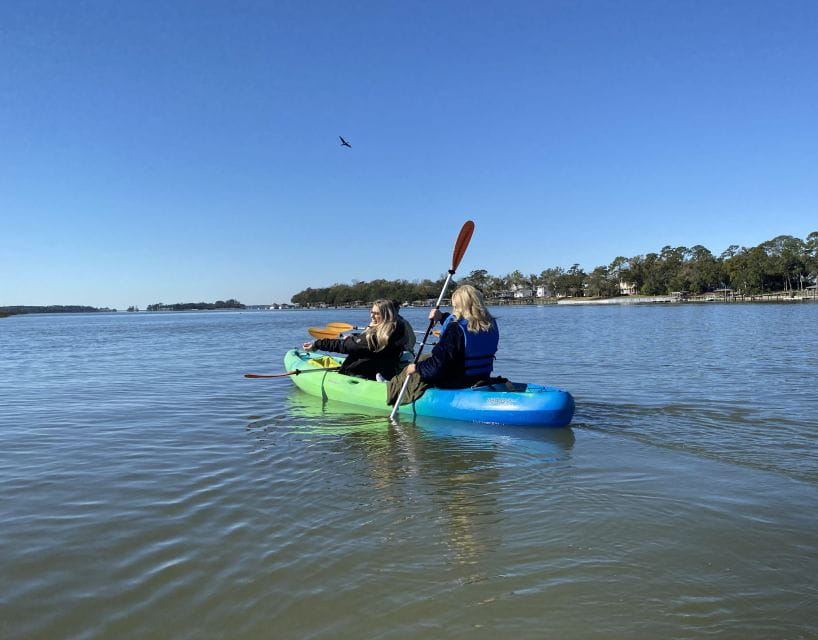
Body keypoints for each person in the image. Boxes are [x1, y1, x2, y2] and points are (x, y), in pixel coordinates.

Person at [387, 284, 499, 404]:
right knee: (424, 358)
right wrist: (441, 316)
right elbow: (461, 325)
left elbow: (438, 367)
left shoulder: (456, 328)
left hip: (457, 382)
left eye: (454, 305)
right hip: (481, 377)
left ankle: (392, 387)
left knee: (416, 363)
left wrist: (416, 368)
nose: (453, 308)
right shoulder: (490, 324)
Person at [303, 299, 406, 380]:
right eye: (371, 312)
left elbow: (344, 346)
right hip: (387, 371)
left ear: (386, 315)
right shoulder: (397, 329)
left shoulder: (376, 337)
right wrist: (357, 337)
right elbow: (363, 343)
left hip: (364, 374)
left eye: (376, 313)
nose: (371, 316)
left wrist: (317, 344)